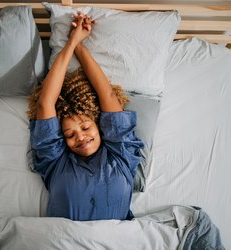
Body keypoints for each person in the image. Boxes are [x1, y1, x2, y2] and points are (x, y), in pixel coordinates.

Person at [28, 12, 144, 221]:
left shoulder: (121, 155)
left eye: (85, 127)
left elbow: (106, 94)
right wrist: (70, 43)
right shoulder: (55, 163)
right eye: (69, 134)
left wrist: (79, 47)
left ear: (99, 125)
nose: (80, 137)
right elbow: (46, 102)